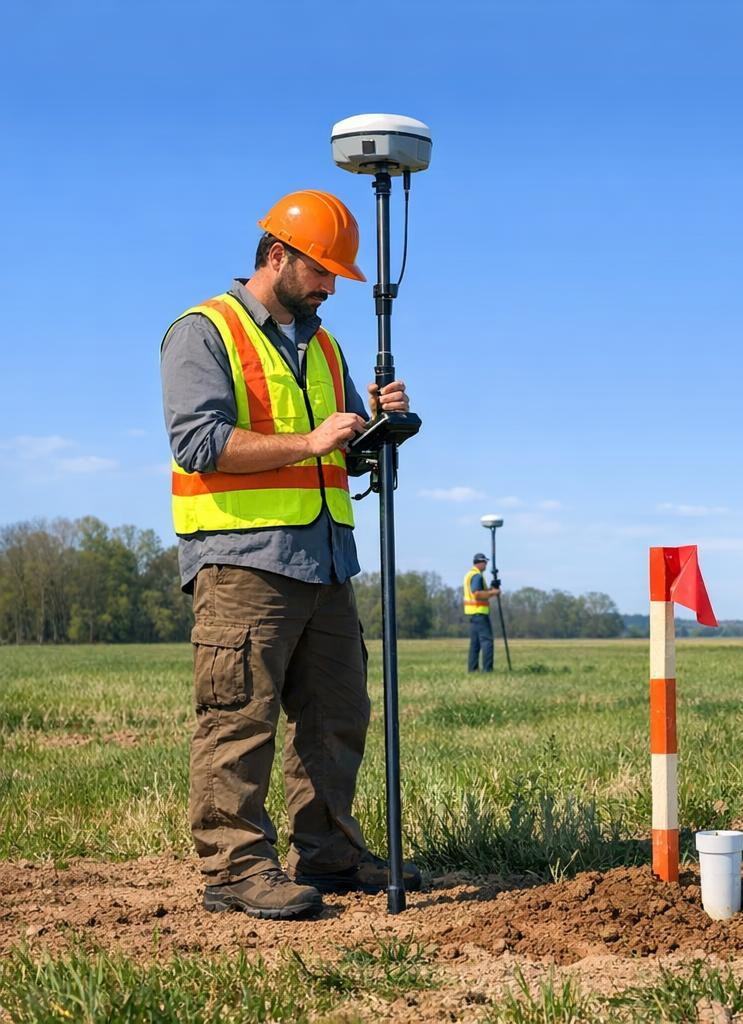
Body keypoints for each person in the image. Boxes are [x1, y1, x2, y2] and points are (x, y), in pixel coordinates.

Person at [160, 189, 423, 918]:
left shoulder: (326, 347)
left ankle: (330, 852)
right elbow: (199, 443)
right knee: (238, 718)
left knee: (338, 714)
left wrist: (378, 426)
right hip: (244, 560)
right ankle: (236, 869)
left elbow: (346, 451)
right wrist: (309, 441)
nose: (331, 287)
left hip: (327, 561)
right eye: (322, 270)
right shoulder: (203, 331)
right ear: (277, 256)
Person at [464, 553, 501, 671]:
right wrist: (493, 593)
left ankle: (473, 669)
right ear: (480, 562)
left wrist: (491, 588)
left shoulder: (470, 574)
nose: (486, 565)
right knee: (487, 642)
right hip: (480, 613)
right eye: (485, 562)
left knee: (475, 644)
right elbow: (477, 594)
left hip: (473, 614)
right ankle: (487, 670)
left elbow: (481, 591)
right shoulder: (477, 576)